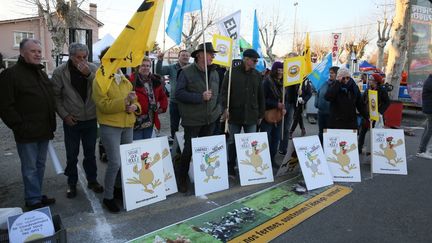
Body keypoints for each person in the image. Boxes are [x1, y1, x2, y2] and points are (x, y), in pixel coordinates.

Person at [0, 38, 56, 209]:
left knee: (39, 166)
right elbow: (5, 106)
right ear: (22, 53)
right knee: (30, 168)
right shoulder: (11, 75)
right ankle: (32, 200)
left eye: (39, 51)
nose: (38, 54)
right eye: (33, 51)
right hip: (27, 132)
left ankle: (36, 195)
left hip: (44, 130)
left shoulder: (40, 72)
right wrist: (19, 126)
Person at [51, 43, 103, 198]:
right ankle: (72, 183)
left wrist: (89, 75)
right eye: (78, 57)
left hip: (91, 119)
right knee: (72, 154)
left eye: (85, 57)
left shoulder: (93, 69)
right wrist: (65, 115)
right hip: (72, 120)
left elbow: (101, 89)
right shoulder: (60, 71)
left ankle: (92, 180)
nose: (82, 60)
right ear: (71, 56)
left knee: (90, 153)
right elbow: (56, 96)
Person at [92, 47, 141, 213]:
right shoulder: (100, 80)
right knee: (115, 162)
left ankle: (119, 189)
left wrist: (135, 106)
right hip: (110, 126)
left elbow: (136, 101)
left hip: (127, 125)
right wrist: (124, 102)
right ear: (105, 60)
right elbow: (102, 105)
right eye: (114, 59)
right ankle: (108, 196)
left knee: (125, 162)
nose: (118, 62)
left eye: (118, 59)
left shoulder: (125, 79)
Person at [175, 42, 221, 193]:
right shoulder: (186, 72)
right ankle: (182, 177)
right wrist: (199, 97)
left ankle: (203, 179)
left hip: (210, 119)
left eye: (213, 54)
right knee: (188, 150)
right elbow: (179, 94)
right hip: (193, 120)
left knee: (205, 152)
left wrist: (218, 110)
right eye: (210, 53)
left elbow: (217, 94)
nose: (213, 56)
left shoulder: (214, 72)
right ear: (200, 55)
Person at [221, 49, 265, 176]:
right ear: (246, 59)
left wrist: (261, 114)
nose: (256, 63)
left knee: (252, 143)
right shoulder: (231, 73)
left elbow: (260, 96)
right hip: (234, 114)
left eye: (257, 61)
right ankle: (231, 166)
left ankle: (250, 168)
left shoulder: (257, 75)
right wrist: (224, 108)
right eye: (254, 60)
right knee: (233, 141)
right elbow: (223, 93)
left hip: (251, 115)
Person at [130, 56, 168, 140]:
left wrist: (162, 107)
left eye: (148, 66)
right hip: (135, 122)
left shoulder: (155, 81)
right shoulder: (131, 81)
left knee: (147, 145)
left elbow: (163, 97)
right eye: (143, 65)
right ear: (137, 67)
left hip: (150, 120)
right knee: (137, 145)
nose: (145, 68)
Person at [156, 50, 190, 140]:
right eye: (183, 55)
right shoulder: (172, 68)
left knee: (189, 124)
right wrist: (160, 60)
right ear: (178, 57)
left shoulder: (192, 68)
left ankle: (187, 141)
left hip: (188, 102)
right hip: (175, 101)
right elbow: (159, 71)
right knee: (174, 124)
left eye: (187, 55)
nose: (185, 57)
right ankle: (174, 141)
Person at [259, 61, 286, 167]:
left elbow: (285, 99)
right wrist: (276, 104)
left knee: (276, 138)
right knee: (266, 139)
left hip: (279, 116)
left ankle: (272, 159)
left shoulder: (284, 83)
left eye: (282, 70)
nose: (280, 72)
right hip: (267, 115)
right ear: (274, 70)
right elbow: (262, 100)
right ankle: (264, 161)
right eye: (278, 70)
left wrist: (284, 108)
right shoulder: (267, 82)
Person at [358, 73, 390, 154]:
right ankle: (359, 148)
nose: (369, 81)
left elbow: (387, 102)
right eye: (370, 80)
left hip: (376, 115)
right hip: (366, 114)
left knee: (375, 133)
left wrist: (380, 111)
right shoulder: (368, 89)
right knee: (362, 131)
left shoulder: (382, 90)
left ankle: (375, 150)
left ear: (376, 82)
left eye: (371, 80)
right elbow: (362, 100)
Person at [278, 52, 298, 155]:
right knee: (277, 126)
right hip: (280, 103)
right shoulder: (280, 69)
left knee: (286, 128)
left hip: (290, 104)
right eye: (290, 59)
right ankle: (274, 146)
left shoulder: (297, 71)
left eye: (294, 59)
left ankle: (283, 148)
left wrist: (300, 90)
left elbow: (298, 87)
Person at [315, 66, 339, 144]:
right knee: (321, 132)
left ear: (337, 74)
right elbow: (318, 94)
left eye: (332, 73)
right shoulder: (324, 83)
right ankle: (321, 149)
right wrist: (317, 104)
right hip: (321, 112)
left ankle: (328, 151)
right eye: (330, 73)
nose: (330, 75)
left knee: (329, 133)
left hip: (332, 114)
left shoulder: (338, 85)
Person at [417, 73, 432, 159]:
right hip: (430, 109)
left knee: (427, 129)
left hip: (428, 108)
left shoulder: (429, 80)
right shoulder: (430, 81)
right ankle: (421, 150)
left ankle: (421, 149)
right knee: (429, 129)